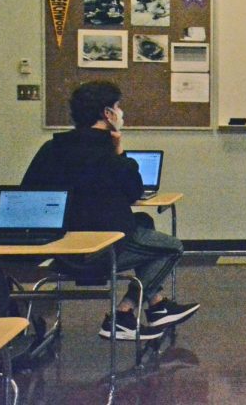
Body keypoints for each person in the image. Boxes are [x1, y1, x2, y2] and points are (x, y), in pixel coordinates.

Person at [22, 81, 199, 341]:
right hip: (103, 251)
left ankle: (158, 304)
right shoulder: (110, 157)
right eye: (118, 107)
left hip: (59, 251)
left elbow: (28, 192)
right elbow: (134, 192)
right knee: (172, 246)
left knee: (144, 222)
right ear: (107, 114)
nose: (121, 112)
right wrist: (119, 149)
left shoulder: (51, 148)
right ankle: (124, 313)